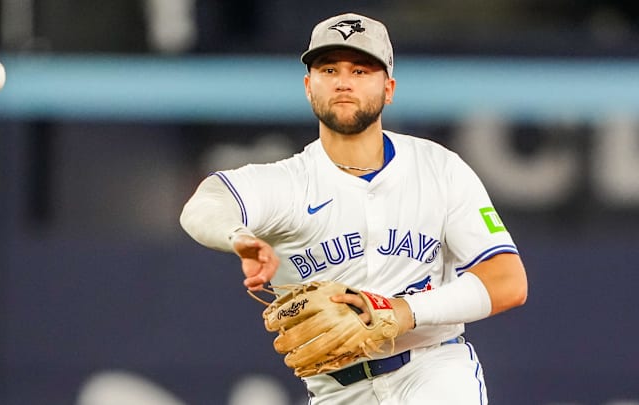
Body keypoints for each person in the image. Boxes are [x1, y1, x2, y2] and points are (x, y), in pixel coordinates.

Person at [180, 12, 528, 404]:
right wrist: (237, 236)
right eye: (329, 69)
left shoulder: (439, 168)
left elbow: (507, 282)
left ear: (389, 88)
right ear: (309, 86)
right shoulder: (287, 183)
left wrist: (400, 311)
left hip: (433, 369)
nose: (344, 82)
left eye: (361, 71)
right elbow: (205, 203)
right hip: (337, 391)